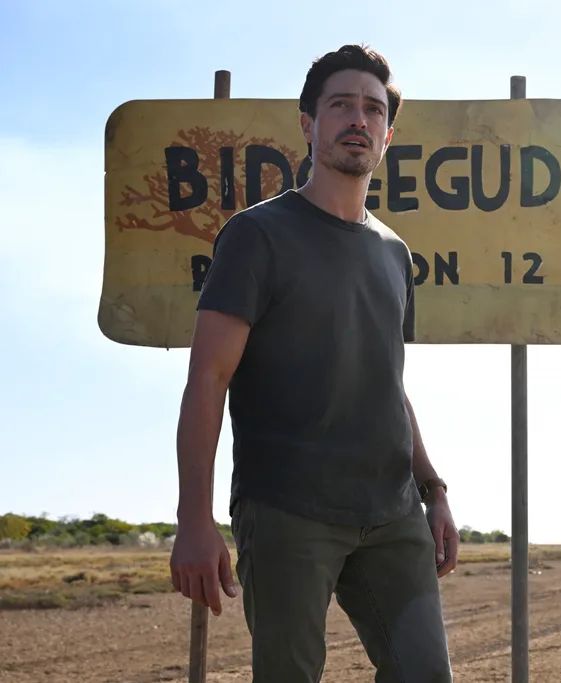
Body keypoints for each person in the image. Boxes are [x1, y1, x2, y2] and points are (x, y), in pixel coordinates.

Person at [169, 44, 458, 683]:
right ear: (308, 125)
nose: (359, 119)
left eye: (373, 109)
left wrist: (432, 487)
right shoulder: (257, 235)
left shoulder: (394, 254)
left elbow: (389, 383)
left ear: (387, 133)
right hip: (287, 510)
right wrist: (194, 517)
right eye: (342, 106)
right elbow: (208, 378)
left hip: (391, 515)